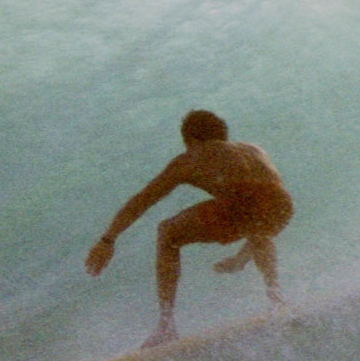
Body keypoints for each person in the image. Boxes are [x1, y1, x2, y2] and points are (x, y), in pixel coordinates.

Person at [85, 110, 293, 348]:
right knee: (258, 225)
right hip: (282, 205)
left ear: (189, 141)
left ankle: (166, 325)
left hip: (245, 205)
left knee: (168, 233)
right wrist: (242, 256)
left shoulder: (191, 158)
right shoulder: (254, 150)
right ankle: (276, 298)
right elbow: (262, 209)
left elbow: (143, 200)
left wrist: (108, 239)